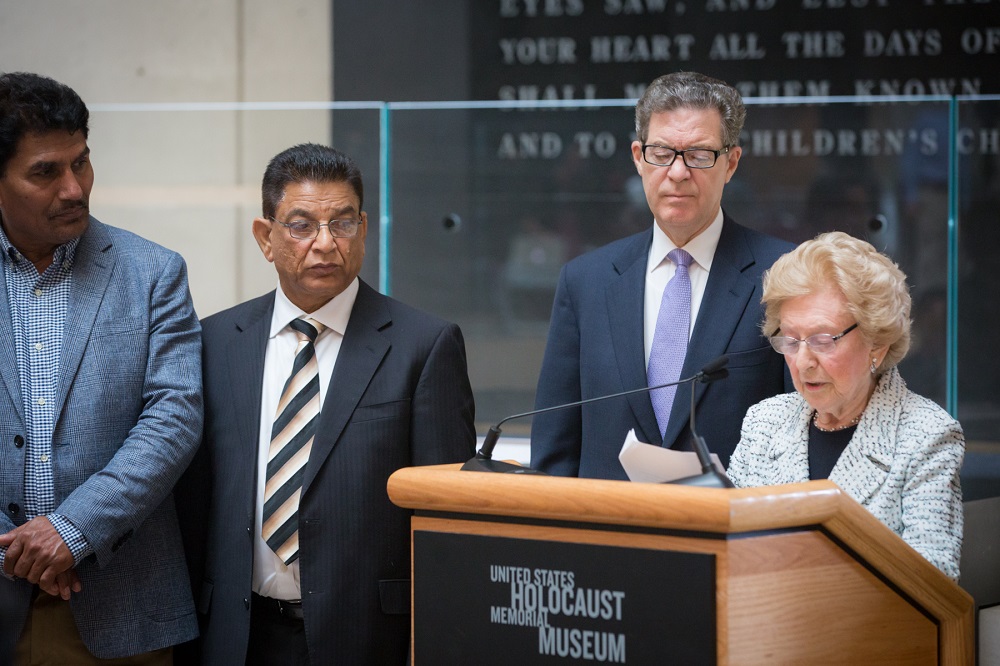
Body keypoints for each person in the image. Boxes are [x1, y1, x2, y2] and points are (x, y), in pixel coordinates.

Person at [183, 143, 476, 665]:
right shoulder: (214, 342)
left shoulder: (422, 345)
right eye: (301, 225)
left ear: (363, 230)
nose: (325, 244)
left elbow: (443, 520)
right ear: (265, 237)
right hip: (235, 635)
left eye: (342, 224)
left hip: (367, 638)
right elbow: (193, 504)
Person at [0, 72, 202, 662]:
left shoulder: (152, 273)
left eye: (81, 163)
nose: (74, 188)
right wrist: (15, 549)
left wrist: (72, 530)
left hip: (118, 607)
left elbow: (174, 418)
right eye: (45, 172)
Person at [531, 71, 793, 478]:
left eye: (700, 155)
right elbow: (554, 452)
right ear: (638, 157)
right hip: (606, 531)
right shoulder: (586, 282)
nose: (677, 172)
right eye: (661, 152)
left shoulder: (783, 275)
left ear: (731, 163)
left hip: (734, 532)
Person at [728, 231, 964, 580]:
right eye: (791, 340)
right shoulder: (765, 421)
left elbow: (933, 581)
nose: (803, 362)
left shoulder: (926, 436)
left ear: (877, 344)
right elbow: (727, 545)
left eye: (823, 340)